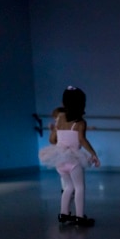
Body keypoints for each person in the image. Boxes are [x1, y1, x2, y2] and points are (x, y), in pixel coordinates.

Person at [39, 86, 100, 226]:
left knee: (68, 187)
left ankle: (64, 214)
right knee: (79, 187)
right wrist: (93, 153)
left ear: (64, 102)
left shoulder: (59, 118)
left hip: (59, 158)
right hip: (74, 159)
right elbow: (83, 141)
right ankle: (79, 217)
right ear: (81, 104)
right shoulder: (80, 123)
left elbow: (53, 139)